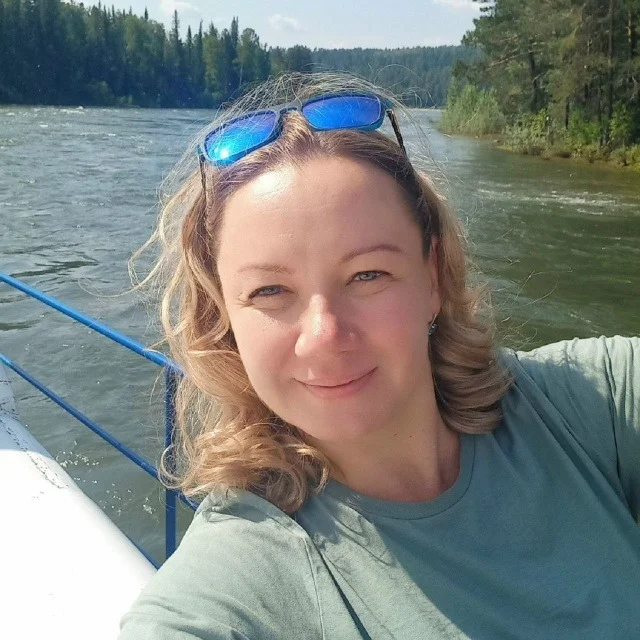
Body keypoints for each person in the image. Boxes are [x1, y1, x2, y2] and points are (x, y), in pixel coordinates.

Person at [119, 72, 640, 639]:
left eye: (368, 274)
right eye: (269, 291)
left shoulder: (586, 405)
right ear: (224, 318)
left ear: (431, 278)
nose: (324, 335)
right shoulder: (236, 583)